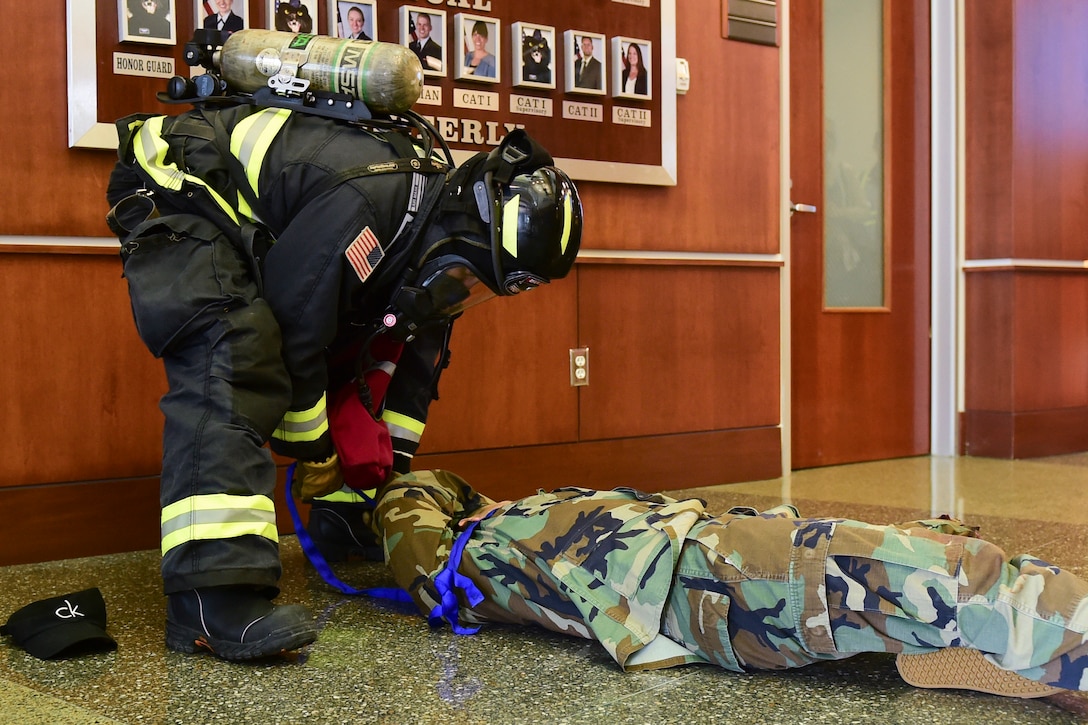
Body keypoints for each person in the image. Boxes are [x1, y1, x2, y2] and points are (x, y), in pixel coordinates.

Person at [105, 94, 582, 661]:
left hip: (256, 214)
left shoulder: (429, 236)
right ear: (460, 228)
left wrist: (381, 486)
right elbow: (294, 325)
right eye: (464, 274)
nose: (462, 292)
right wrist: (315, 451)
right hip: (178, 183)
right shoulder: (373, 201)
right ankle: (211, 597)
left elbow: (407, 370)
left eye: (481, 288)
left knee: (379, 334)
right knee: (234, 349)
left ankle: (343, 519)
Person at [370, 469, 1088, 697]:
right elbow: (405, 492)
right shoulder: (467, 558)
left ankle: (986, 639)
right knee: (965, 579)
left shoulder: (499, 536)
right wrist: (463, 503)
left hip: (718, 564)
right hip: (707, 576)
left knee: (929, 570)